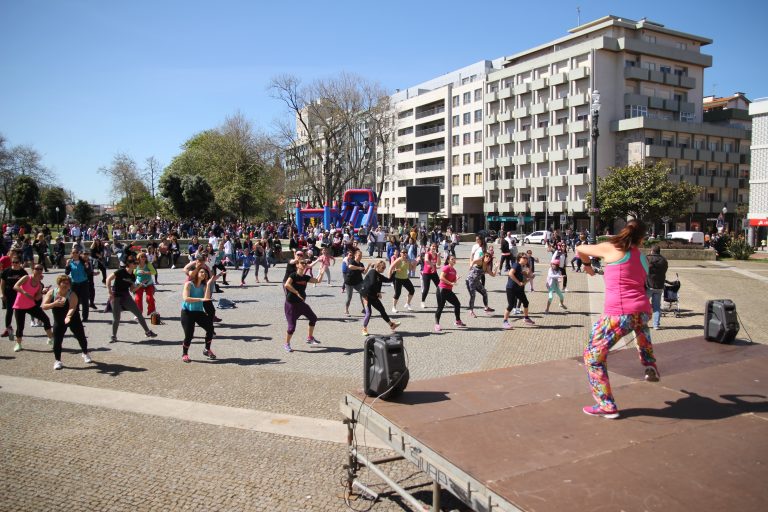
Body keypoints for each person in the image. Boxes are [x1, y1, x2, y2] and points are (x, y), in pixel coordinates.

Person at [576, 219, 659, 419]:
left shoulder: (609, 248)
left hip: (619, 312)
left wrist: (587, 266)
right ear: (642, 238)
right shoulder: (642, 258)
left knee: (592, 356)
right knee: (640, 326)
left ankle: (606, 405)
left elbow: (580, 248)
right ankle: (649, 363)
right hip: (642, 309)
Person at [42, 274, 92, 370]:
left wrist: (68, 316)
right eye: (63, 283)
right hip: (59, 320)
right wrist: (54, 303)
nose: (66, 285)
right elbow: (44, 306)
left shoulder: (72, 294)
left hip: (73, 319)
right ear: (59, 283)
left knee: (81, 337)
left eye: (68, 283)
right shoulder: (52, 293)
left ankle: (85, 353)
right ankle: (57, 361)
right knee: (57, 341)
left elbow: (73, 307)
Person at [106, 256, 158, 343]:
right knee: (117, 318)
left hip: (126, 295)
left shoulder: (133, 276)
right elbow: (108, 279)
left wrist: (141, 285)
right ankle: (113, 336)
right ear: (129, 264)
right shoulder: (120, 271)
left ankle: (148, 332)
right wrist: (109, 292)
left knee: (138, 314)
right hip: (115, 295)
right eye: (135, 263)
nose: (137, 265)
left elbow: (132, 290)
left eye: (137, 263)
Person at [283, 258, 325, 352]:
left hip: (301, 304)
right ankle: (286, 344)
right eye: (302, 263)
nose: (304, 264)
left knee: (313, 318)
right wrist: (297, 292)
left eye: (305, 263)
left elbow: (317, 281)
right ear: (297, 265)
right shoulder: (293, 275)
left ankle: (310, 338)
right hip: (291, 305)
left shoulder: (305, 277)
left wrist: (321, 273)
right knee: (291, 327)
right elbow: (287, 285)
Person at [180, 266, 218, 362]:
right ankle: (185, 354)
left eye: (205, 273)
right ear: (196, 273)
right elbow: (186, 298)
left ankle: (207, 349)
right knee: (189, 335)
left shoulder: (203, 286)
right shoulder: (188, 284)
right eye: (201, 272)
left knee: (210, 328)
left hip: (198, 312)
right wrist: (201, 299)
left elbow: (207, 298)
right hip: (187, 312)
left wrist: (209, 284)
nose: (204, 274)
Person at [12, 264, 54, 351]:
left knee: (46, 319)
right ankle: (18, 344)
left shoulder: (39, 284)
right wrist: (25, 292)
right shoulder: (26, 277)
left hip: (31, 306)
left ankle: (51, 339)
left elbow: (36, 298)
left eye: (40, 269)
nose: (38, 271)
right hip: (19, 306)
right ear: (33, 270)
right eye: (37, 269)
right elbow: (15, 286)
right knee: (20, 326)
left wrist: (43, 292)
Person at [360, 260, 400, 337]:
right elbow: (372, 283)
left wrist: (394, 272)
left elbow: (389, 280)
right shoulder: (372, 272)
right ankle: (364, 329)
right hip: (366, 295)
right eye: (383, 267)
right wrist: (378, 292)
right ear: (378, 266)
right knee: (368, 313)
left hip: (373, 295)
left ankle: (392, 325)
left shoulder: (379, 275)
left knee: (382, 310)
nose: (384, 269)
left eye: (385, 267)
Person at [502, 253, 535, 329]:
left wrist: (530, 276)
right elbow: (510, 273)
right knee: (510, 305)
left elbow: (524, 274)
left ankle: (526, 318)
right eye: (524, 258)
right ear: (519, 258)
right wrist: (518, 282)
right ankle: (505, 322)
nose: (526, 259)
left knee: (526, 302)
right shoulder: (516, 265)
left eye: (527, 258)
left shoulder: (521, 266)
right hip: (511, 288)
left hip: (518, 289)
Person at [434, 255, 465, 331]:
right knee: (440, 307)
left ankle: (458, 321)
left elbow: (453, 282)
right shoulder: (446, 267)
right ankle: (437, 324)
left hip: (448, 290)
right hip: (441, 290)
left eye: (455, 259)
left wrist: (456, 280)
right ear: (448, 260)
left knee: (457, 304)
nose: (454, 260)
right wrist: (451, 283)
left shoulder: (454, 270)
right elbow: (441, 277)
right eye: (452, 259)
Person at [1, 256, 27, 341]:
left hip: (19, 295)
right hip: (8, 294)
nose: (15, 264)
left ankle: (19, 331)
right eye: (13, 262)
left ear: (20, 263)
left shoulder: (23, 272)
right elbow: (2, 284)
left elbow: (27, 284)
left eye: (17, 262)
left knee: (18, 313)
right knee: (9, 312)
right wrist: (2, 294)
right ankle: (8, 329)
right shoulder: (6, 271)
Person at [645, 245, 669, 330]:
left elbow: (642, 270)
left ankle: (643, 323)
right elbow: (665, 270)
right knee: (657, 307)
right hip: (659, 286)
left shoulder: (647, 258)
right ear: (659, 251)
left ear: (651, 250)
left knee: (643, 305)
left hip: (648, 285)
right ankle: (656, 325)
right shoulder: (664, 260)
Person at [466, 252, 495, 318]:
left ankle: (486, 307)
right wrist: (471, 266)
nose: (488, 258)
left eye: (489, 257)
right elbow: (473, 261)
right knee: (473, 296)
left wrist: (496, 267)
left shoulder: (487, 266)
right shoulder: (480, 262)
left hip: (477, 282)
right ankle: (471, 311)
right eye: (486, 256)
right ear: (484, 257)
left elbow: (493, 275)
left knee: (484, 292)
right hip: (470, 280)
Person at [64, 248, 90, 322]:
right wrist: (67, 265)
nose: (75, 254)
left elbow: (88, 273)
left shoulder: (84, 261)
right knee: (75, 301)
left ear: (79, 253)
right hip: (74, 283)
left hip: (83, 283)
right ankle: (76, 316)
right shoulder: (70, 262)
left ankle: (85, 317)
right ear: (71, 254)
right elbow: (66, 273)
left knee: (85, 301)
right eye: (73, 252)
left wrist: (87, 267)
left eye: (76, 252)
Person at [390, 248, 415, 313]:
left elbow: (411, 269)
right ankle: (394, 307)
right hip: (397, 278)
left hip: (405, 278)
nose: (404, 254)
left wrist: (414, 264)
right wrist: (389, 277)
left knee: (412, 290)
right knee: (397, 293)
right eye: (403, 252)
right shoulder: (398, 260)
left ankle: (407, 303)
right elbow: (391, 268)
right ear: (400, 253)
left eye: (406, 252)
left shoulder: (407, 260)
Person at [133, 252, 157, 317]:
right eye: (142, 257)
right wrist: (137, 272)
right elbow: (133, 272)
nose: (143, 258)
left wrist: (146, 272)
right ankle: (138, 313)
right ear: (139, 258)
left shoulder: (148, 264)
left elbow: (154, 272)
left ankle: (152, 311)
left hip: (149, 283)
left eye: (144, 257)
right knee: (138, 298)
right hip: (139, 283)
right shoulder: (136, 264)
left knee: (150, 298)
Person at [343, 249, 366, 317]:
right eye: (359, 255)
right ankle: (346, 310)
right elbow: (350, 266)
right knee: (349, 297)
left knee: (363, 294)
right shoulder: (352, 261)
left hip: (357, 282)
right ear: (355, 255)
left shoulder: (361, 264)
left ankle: (365, 309)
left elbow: (364, 272)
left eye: (361, 256)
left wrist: (368, 267)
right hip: (349, 282)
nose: (360, 257)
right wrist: (359, 268)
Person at [420, 243, 441, 308]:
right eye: (433, 246)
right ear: (430, 247)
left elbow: (438, 264)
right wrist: (432, 266)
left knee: (440, 287)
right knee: (426, 289)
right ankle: (423, 301)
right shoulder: (427, 253)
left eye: (435, 246)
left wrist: (439, 256)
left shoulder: (436, 254)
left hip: (434, 273)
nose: (434, 247)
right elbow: (426, 260)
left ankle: (442, 300)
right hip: (426, 273)